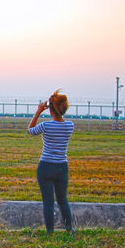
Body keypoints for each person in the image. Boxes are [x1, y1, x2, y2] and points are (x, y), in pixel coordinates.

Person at [27, 89, 74, 235]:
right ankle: (68, 230)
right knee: (62, 200)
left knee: (48, 202)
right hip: (62, 167)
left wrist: (39, 111)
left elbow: (30, 130)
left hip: (45, 166)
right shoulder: (70, 126)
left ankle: (50, 233)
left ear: (51, 110)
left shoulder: (46, 126)